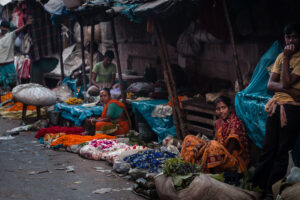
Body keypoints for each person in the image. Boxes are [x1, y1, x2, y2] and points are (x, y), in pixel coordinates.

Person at [252, 23, 300, 200]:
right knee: (267, 148)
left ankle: (270, 192)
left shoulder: (291, 58)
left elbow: (284, 83)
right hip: (277, 106)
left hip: (293, 110)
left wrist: (287, 58)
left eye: (294, 37)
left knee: (282, 152)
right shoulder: (280, 56)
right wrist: (293, 92)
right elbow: (270, 84)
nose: (290, 41)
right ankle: (256, 186)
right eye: (288, 37)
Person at [180, 96, 249, 173]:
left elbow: (229, 149)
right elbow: (217, 143)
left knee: (212, 146)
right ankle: (186, 168)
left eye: (223, 108)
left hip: (233, 159)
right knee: (189, 138)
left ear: (230, 108)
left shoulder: (236, 124)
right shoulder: (220, 122)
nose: (221, 111)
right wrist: (204, 148)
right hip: (218, 152)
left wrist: (207, 149)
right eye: (218, 109)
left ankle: (205, 170)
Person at [0, 16, 32, 90]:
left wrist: (26, 25)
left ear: (8, 29)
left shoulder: (10, 36)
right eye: (3, 27)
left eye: (6, 28)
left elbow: (18, 31)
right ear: (1, 27)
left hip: (9, 65)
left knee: (12, 85)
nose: (4, 29)